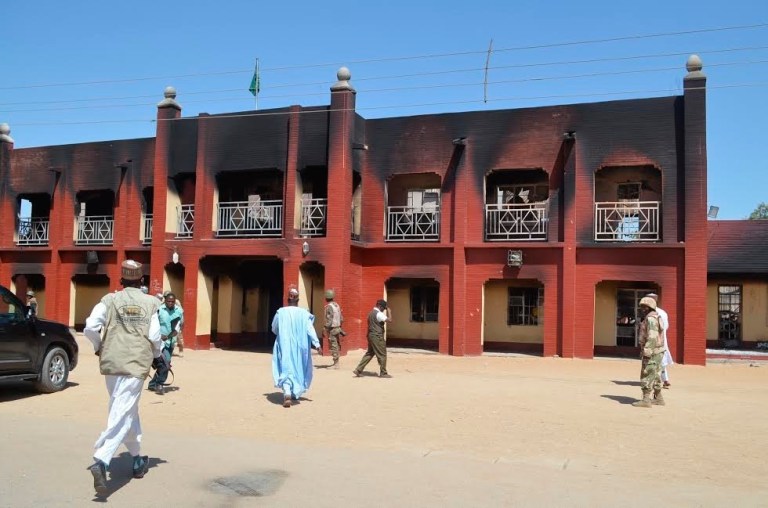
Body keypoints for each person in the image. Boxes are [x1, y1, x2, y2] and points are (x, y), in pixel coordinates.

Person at [83, 260, 163, 495]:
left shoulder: (108, 300)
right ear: (141, 281)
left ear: (121, 281)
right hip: (136, 363)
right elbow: (155, 335)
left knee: (126, 409)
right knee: (123, 409)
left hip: (111, 362)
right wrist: (158, 356)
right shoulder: (151, 303)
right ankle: (101, 459)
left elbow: (90, 327)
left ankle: (137, 457)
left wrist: (98, 346)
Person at [271, 287, 322, 408]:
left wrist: (282, 333)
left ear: (287, 299)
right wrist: (317, 344)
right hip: (300, 346)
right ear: (298, 300)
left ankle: (288, 392)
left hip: (284, 344)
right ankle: (292, 391)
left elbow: (274, 328)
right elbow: (310, 329)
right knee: (298, 367)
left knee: (286, 366)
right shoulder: (304, 314)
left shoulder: (281, 312)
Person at [632, 296, 666, 408]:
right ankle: (658, 398)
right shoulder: (656, 317)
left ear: (649, 307)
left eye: (644, 306)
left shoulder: (650, 319)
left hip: (652, 351)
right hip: (658, 350)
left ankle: (646, 399)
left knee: (647, 373)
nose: (642, 309)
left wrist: (646, 351)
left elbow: (652, 337)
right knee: (656, 374)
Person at [148, 292, 183, 394]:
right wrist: (158, 336)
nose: (170, 303)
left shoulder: (179, 311)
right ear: (165, 301)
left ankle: (153, 384)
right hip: (158, 342)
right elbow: (153, 324)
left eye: (172, 301)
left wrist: (167, 336)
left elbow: (177, 328)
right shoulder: (159, 310)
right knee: (165, 363)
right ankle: (159, 384)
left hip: (170, 342)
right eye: (168, 301)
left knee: (165, 363)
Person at [353, 299, 392, 378]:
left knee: (370, 353)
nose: (383, 310)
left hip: (371, 335)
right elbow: (390, 320)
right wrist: (389, 311)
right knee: (382, 354)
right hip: (377, 336)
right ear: (380, 306)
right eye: (383, 308)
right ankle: (383, 373)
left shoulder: (370, 313)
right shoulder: (379, 314)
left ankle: (358, 369)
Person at [646, 293, 673, 388]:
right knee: (661, 360)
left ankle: (657, 381)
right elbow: (666, 327)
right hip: (661, 340)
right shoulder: (663, 312)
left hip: (654, 341)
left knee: (654, 361)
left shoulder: (651, 313)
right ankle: (665, 380)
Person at [323, 289, 344, 369]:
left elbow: (329, 319)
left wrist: (325, 328)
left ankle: (336, 364)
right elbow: (341, 318)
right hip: (337, 328)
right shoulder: (336, 305)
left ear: (327, 297)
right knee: (336, 345)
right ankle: (336, 362)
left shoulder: (329, 307)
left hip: (332, 329)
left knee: (333, 345)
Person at [163, 290, 185, 358]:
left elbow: (181, 311)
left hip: (176, 321)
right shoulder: (163, 302)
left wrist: (181, 322)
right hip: (168, 322)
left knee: (179, 337)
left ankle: (181, 350)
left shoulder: (176, 301)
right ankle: (171, 351)